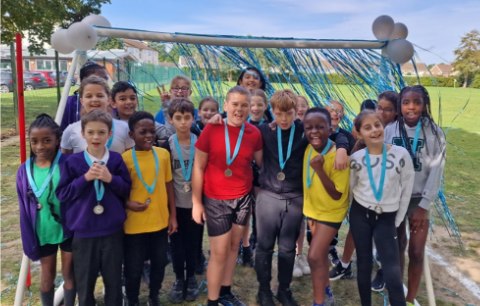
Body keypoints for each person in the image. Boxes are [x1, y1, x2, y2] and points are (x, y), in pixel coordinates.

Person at [253, 90, 351, 306]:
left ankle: (284, 290)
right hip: (268, 196)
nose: (284, 119)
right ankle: (263, 291)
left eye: (289, 113)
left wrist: (343, 148)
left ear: (296, 112)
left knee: (288, 248)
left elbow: (336, 134)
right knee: (265, 246)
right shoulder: (264, 130)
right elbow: (241, 128)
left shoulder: (303, 130)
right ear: (273, 112)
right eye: (279, 114)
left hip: (295, 198)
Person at [192, 86, 263, 306]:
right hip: (216, 199)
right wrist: (196, 203)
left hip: (242, 197)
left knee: (234, 246)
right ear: (225, 106)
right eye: (235, 104)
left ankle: (225, 292)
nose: (239, 109)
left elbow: (262, 164)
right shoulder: (211, 129)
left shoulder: (254, 133)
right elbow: (198, 167)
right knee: (219, 252)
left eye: (244, 105)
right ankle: (212, 301)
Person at [56, 110, 132, 306]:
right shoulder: (73, 162)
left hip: (112, 232)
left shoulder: (115, 160)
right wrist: (85, 179)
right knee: (85, 282)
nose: (96, 137)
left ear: (110, 133)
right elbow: (62, 194)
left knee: (113, 280)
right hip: (83, 233)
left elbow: (126, 190)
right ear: (83, 134)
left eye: (101, 132)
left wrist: (110, 179)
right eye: (90, 132)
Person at [384, 85, 446, 306]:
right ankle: (398, 296)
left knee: (417, 251)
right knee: (398, 245)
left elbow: (436, 170)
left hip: (420, 199)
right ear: (400, 106)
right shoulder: (390, 130)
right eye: (406, 102)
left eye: (417, 102)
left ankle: (410, 299)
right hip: (395, 199)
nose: (411, 107)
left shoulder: (435, 133)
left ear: (424, 104)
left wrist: (424, 205)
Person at [349, 109, 414, 306]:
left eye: (377, 125)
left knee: (392, 272)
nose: (375, 130)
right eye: (368, 128)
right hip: (361, 215)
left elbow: (406, 190)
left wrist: (396, 220)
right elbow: (351, 190)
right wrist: (354, 215)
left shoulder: (401, 155)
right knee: (363, 264)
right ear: (359, 134)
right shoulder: (356, 159)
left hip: (388, 218)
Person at [17, 114, 76, 306]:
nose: (40, 146)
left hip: (68, 230)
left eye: (47, 140)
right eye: (34, 141)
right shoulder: (24, 171)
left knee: (69, 273)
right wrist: (28, 237)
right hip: (43, 232)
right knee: (47, 275)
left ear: (58, 140)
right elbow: (24, 209)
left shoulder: (68, 164)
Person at [122, 111, 177, 306]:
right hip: (134, 225)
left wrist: (173, 216)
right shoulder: (125, 159)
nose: (148, 136)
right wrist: (128, 203)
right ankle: (133, 300)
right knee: (134, 268)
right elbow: (120, 191)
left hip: (160, 223)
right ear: (131, 135)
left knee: (159, 264)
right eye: (142, 132)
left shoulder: (162, 154)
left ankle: (154, 297)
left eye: (152, 132)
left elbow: (169, 185)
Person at [302, 107, 350, 306]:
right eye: (309, 127)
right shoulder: (308, 147)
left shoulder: (338, 157)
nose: (314, 131)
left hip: (331, 212)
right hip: (312, 210)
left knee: (313, 256)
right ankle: (326, 290)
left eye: (320, 127)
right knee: (319, 256)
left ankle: (319, 302)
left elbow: (337, 195)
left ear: (331, 129)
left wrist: (320, 170)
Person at [160, 99, 203, 303]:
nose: (183, 122)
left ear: (193, 118)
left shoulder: (201, 142)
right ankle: (179, 279)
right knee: (177, 246)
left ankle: (192, 278)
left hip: (196, 205)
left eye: (187, 117)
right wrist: (171, 213)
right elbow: (166, 180)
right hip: (176, 206)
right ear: (171, 120)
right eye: (178, 118)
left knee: (193, 244)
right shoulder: (167, 146)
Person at [61, 76, 134, 155]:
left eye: (100, 96)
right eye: (89, 96)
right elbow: (65, 162)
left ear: (108, 100)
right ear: (82, 101)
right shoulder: (71, 130)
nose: (95, 99)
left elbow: (131, 160)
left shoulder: (124, 128)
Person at [60, 62, 109, 131]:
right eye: (98, 78)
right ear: (84, 80)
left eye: (105, 79)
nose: (103, 82)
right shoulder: (70, 102)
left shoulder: (110, 101)